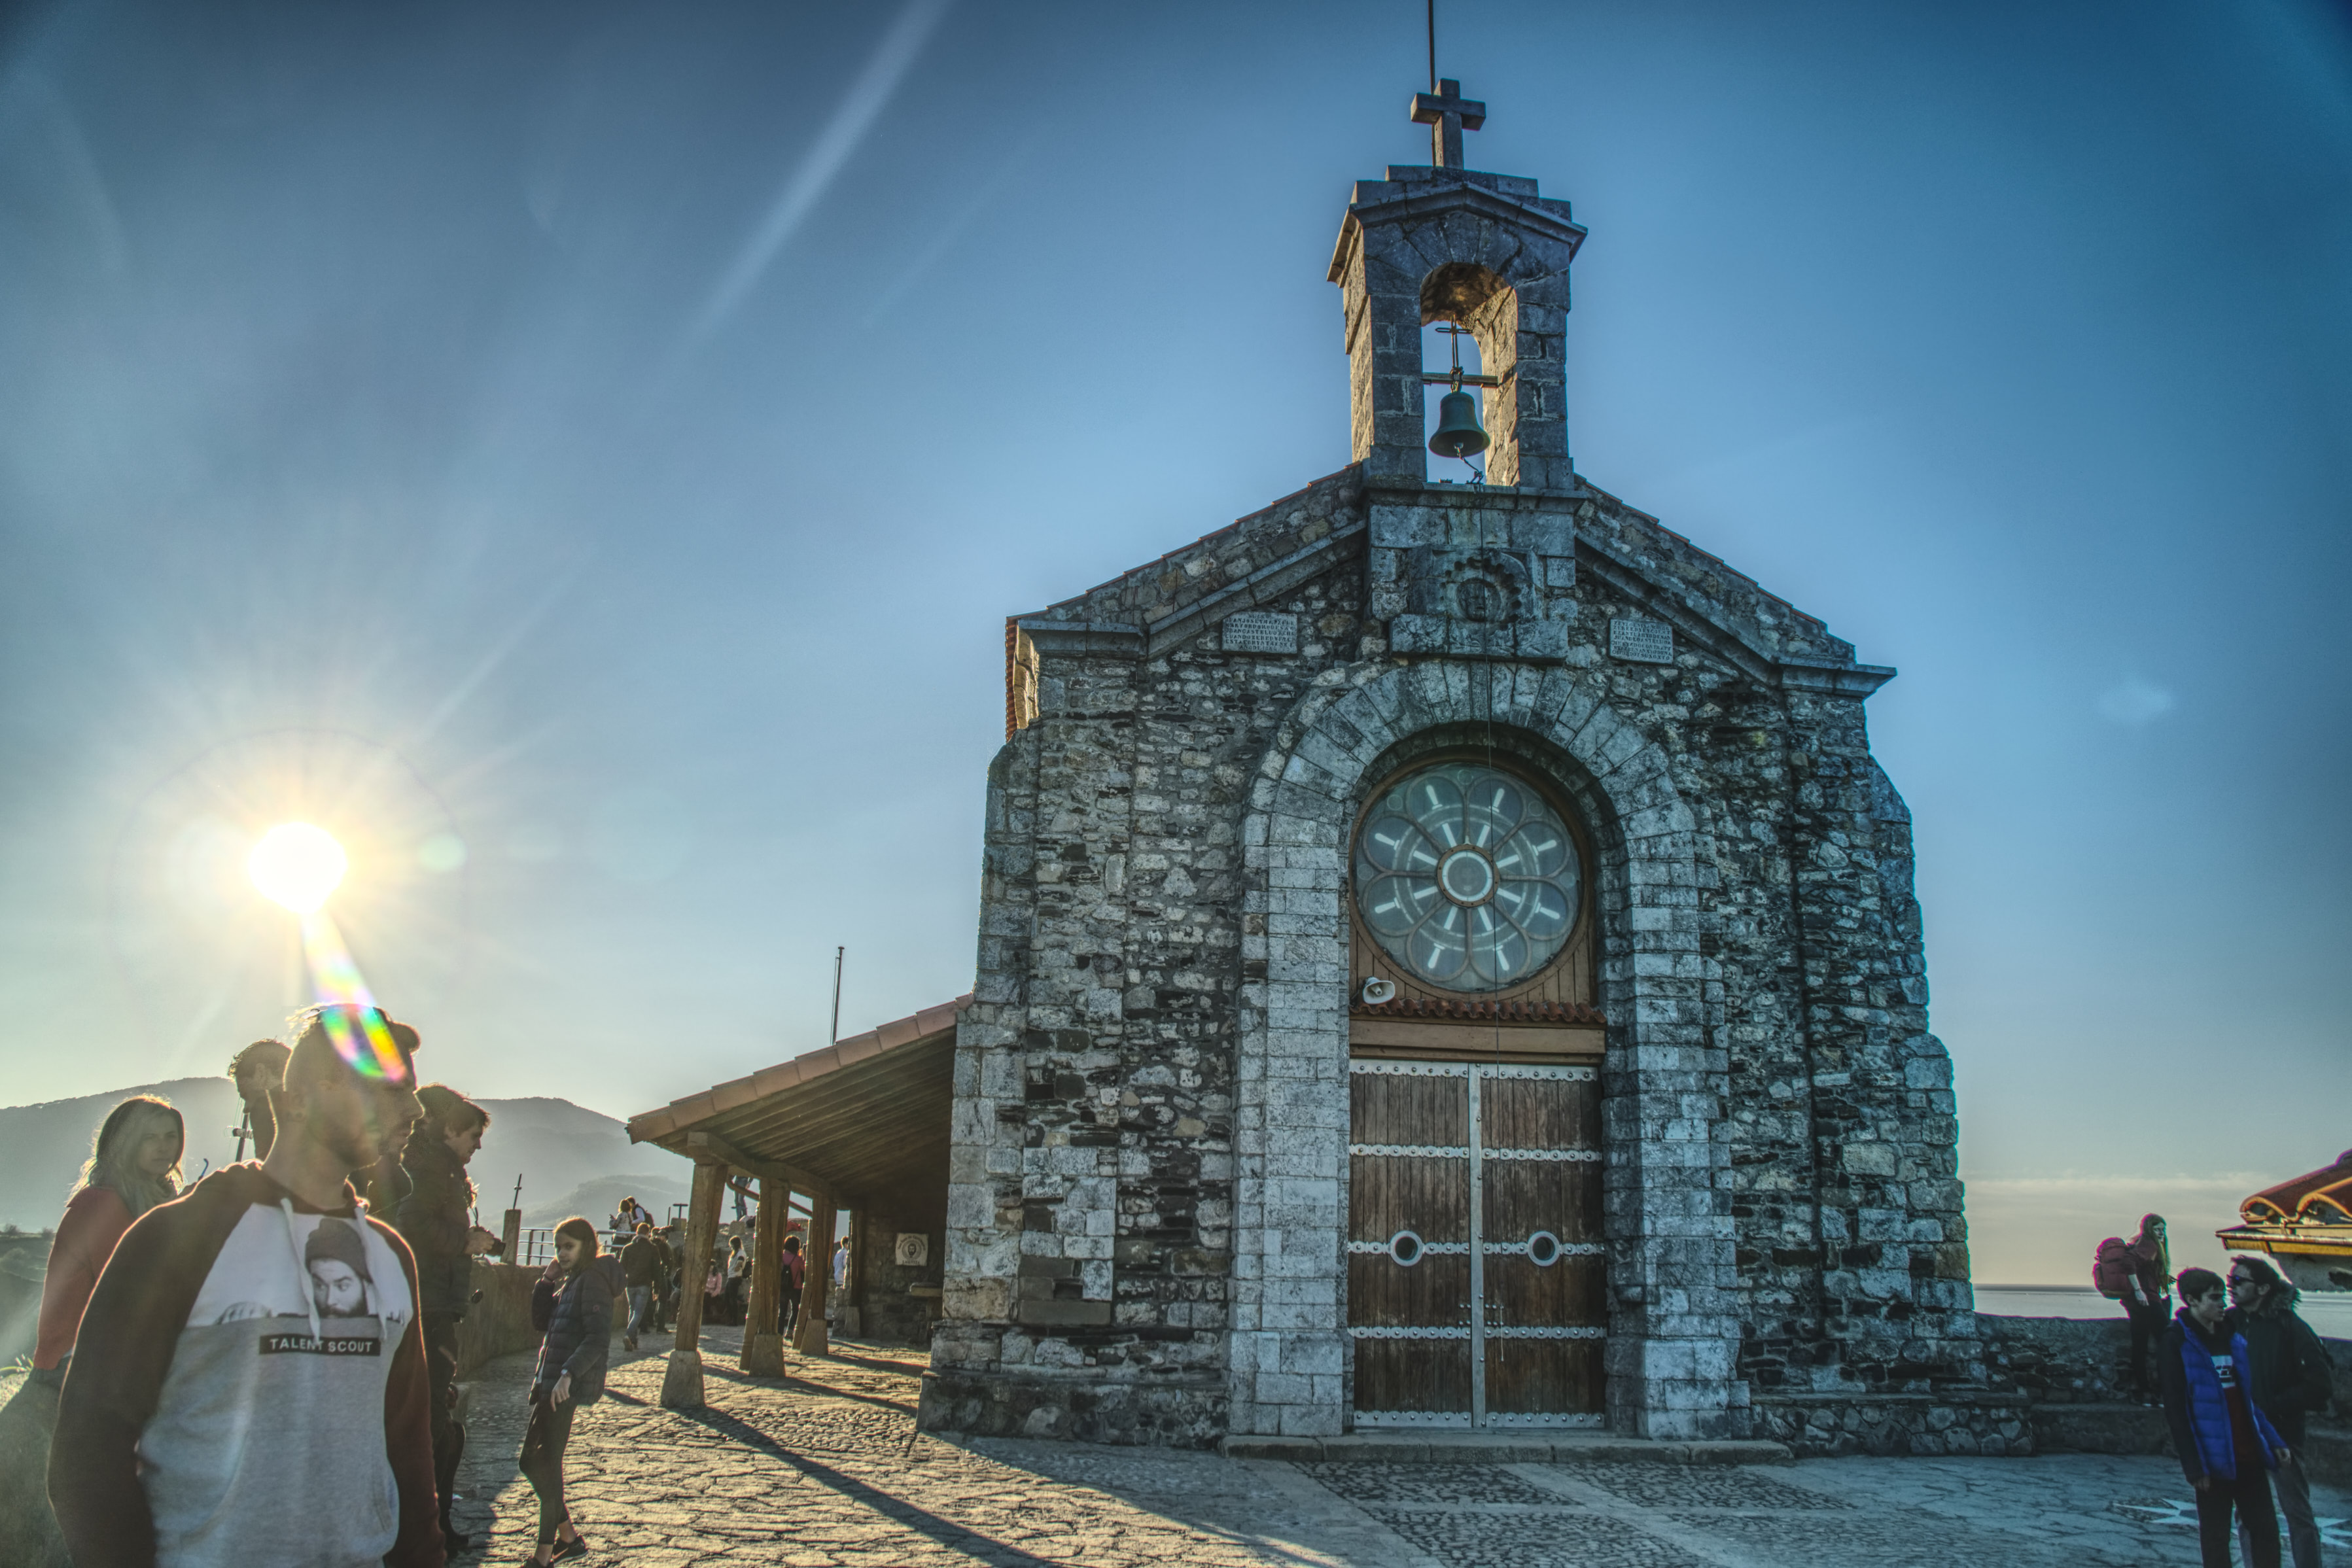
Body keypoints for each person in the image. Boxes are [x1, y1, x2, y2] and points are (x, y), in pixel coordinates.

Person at [49, 1002, 442, 1567]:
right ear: (303, 1098)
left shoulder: (390, 1256)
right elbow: (88, 1449)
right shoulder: (177, 1238)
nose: (412, 1109)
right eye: (388, 1088)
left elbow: (407, 1447)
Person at [0, 1096, 184, 1565]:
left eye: (171, 1136)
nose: (165, 1148)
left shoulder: (149, 1197)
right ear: (123, 1144)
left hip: (111, 1367)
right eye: (151, 1137)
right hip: (74, 1370)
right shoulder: (103, 1203)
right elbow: (133, 1289)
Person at [395, 1083, 502, 1554]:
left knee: (438, 1420)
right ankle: (426, 1530)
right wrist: (465, 1243)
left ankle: (433, 1524)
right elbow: (412, 1225)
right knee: (433, 1423)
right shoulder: (434, 1169)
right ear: (452, 1129)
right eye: (474, 1136)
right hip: (431, 1307)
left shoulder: (439, 1168)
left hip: (435, 1304)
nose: (478, 1145)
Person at [2160, 1265, 2294, 1568]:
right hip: (2213, 1460)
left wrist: (2273, 1440)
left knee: (2266, 1532)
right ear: (2192, 1301)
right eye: (2214, 1298)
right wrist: (2194, 1467)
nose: (2223, 1303)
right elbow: (2177, 1409)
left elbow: (2247, 1401)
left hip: (2249, 1455)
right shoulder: (2176, 1341)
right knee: (2216, 1538)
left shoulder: (2232, 1338)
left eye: (2223, 1297)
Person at [521, 1216, 620, 1566]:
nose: (562, 1254)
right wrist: (546, 1281)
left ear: (587, 1246)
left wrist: (567, 1374)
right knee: (532, 1461)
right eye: (558, 1247)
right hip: (550, 1385)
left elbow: (597, 1338)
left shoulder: (591, 1280)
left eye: (569, 1247)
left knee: (546, 1463)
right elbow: (540, 1322)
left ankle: (544, 1555)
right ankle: (569, 1538)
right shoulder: (573, 1280)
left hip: (563, 1387)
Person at [2230, 1256, 2336, 1568]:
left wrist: (2271, 1407)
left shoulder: (2290, 1326)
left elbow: (2320, 1385)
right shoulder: (2229, 1323)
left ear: (2262, 1288)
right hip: (2243, 1432)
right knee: (2246, 1512)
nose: (2231, 1286)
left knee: (2296, 1512)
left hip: (2282, 1433)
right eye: (2230, 1279)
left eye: (2239, 1281)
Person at [2120, 1214, 2172, 1394]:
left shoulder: (2142, 1242)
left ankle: (2145, 1390)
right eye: (2157, 1229)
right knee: (2168, 1342)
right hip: (2148, 1300)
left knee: (2140, 1346)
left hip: (2136, 1302)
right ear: (2149, 1229)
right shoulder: (2149, 1244)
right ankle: (2165, 1388)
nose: (2161, 1233)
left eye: (2163, 1229)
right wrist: (2138, 1290)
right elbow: (2129, 1261)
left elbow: (2141, 1267)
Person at [227, 1039, 290, 1160]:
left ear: (261, 1073)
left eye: (246, 1095)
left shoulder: (265, 1110)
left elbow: (269, 1172)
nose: (246, 1109)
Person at [620, 1220, 659, 1353]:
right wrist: (656, 1288)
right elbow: (656, 1269)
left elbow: (622, 1268)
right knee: (638, 1313)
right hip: (644, 1284)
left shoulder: (627, 1248)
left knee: (632, 1311)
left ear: (636, 1233)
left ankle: (633, 1340)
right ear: (648, 1233)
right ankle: (628, 1335)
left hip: (630, 1284)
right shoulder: (653, 1248)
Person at [780, 1233, 806, 1336]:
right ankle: (790, 1331)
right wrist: (803, 1256)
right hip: (796, 1288)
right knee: (795, 1311)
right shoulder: (798, 1259)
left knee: (782, 1312)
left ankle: (779, 1333)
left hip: (783, 1287)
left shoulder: (781, 1256)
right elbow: (805, 1270)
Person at [723, 1234, 748, 1326]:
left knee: (732, 1299)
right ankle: (731, 1318)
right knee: (727, 1298)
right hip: (731, 1277)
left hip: (735, 1278)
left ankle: (734, 1320)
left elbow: (740, 1261)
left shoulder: (741, 1253)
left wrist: (737, 1268)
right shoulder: (736, 1253)